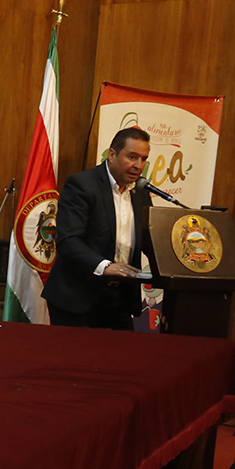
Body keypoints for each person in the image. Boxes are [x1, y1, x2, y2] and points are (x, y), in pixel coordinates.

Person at [42, 127, 156, 329]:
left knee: (122, 350)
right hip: (78, 297)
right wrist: (105, 266)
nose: (138, 166)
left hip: (120, 297)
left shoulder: (141, 192)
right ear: (112, 154)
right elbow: (68, 241)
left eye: (144, 159)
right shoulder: (83, 185)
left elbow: (149, 240)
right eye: (132, 157)